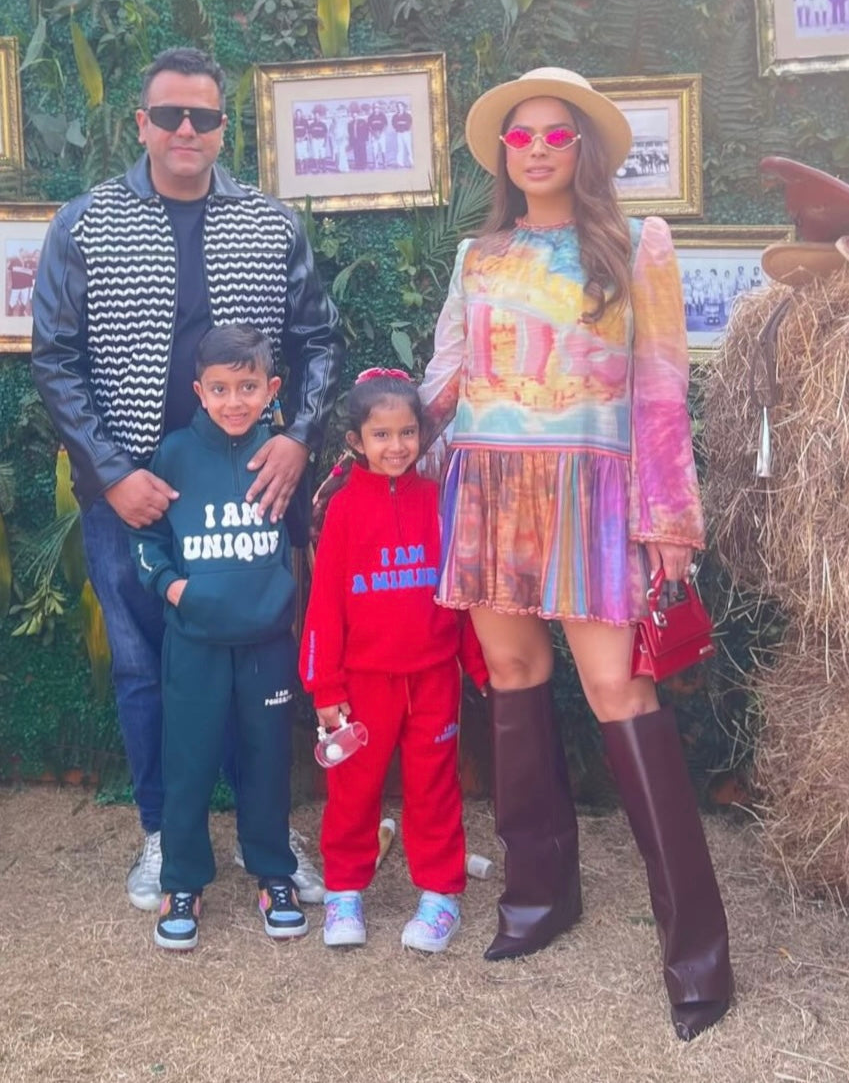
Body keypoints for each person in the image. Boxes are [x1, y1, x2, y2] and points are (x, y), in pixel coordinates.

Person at [414, 68, 731, 1039]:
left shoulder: (637, 245)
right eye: (522, 136)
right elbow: (447, 373)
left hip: (594, 496)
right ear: (503, 155)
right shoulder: (477, 255)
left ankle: (697, 953)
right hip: (488, 485)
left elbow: (663, 391)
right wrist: (391, 436)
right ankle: (538, 895)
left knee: (618, 692)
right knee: (511, 675)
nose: (539, 148)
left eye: (557, 133)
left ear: (584, 148)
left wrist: (668, 520)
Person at [32, 46, 344, 914]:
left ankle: (266, 837)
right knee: (142, 665)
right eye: (168, 114)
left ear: (221, 128)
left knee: (257, 657)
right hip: (132, 489)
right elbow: (56, 358)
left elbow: (318, 340)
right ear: (141, 123)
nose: (184, 129)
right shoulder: (86, 224)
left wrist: (299, 439)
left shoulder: (270, 224)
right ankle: (165, 835)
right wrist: (110, 473)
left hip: (250, 486)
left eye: (201, 116)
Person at [131, 324, 306, 950]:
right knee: (189, 763)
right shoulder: (174, 453)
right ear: (199, 391)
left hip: (267, 643)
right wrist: (176, 589)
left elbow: (305, 537)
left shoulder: (282, 455)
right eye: (221, 388)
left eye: (248, 387)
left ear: (271, 388)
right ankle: (183, 882)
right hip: (195, 641)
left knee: (267, 762)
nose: (235, 401)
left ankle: (274, 873)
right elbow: (147, 541)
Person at [300, 370, 488, 952]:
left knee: (434, 788)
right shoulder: (342, 510)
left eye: (407, 432)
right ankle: (343, 892)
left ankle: (440, 895)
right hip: (361, 686)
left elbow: (460, 593)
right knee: (352, 792)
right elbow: (324, 606)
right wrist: (325, 686)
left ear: (421, 434)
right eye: (381, 435)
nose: (397, 446)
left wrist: (481, 666)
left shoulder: (437, 501)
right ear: (356, 441)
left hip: (433, 679)